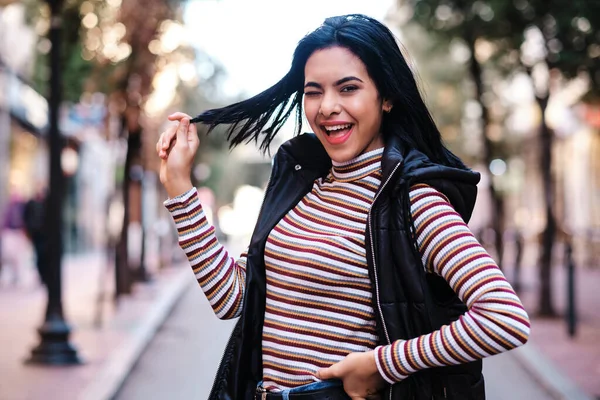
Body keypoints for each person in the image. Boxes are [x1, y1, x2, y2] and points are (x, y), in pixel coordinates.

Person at [156, 14, 530, 400]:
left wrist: (381, 364)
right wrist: (180, 188)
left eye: (347, 88)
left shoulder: (414, 201)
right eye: (314, 91)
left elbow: (503, 318)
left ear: (386, 97)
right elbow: (232, 297)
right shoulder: (301, 188)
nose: (327, 107)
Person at [23, 184, 48, 286]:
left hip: (44, 234)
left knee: (43, 255)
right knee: (38, 254)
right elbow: (25, 217)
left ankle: (45, 276)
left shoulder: (46, 203)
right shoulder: (31, 203)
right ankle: (42, 276)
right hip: (35, 234)